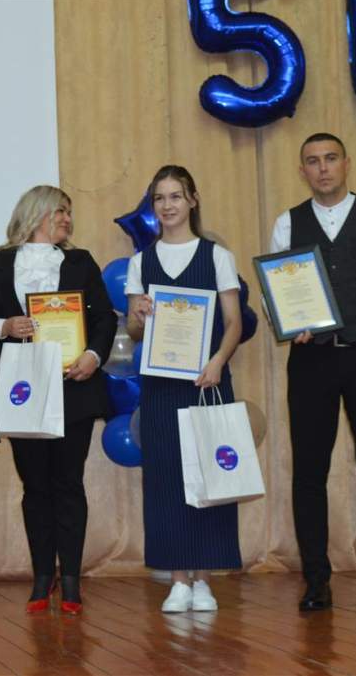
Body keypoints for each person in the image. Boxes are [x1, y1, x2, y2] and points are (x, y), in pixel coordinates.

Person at [0, 185, 117, 616]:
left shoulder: (81, 262)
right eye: (59, 211)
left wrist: (93, 356)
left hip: (74, 385)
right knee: (35, 486)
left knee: (69, 483)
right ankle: (42, 576)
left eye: (69, 212)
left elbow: (104, 319)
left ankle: (71, 581)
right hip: (21, 390)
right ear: (35, 214)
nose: (67, 218)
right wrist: (3, 326)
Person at [125, 165, 243, 613]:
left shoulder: (216, 256)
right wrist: (139, 316)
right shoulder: (141, 262)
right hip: (160, 386)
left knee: (210, 474)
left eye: (176, 196)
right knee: (165, 479)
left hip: (207, 381)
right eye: (159, 198)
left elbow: (233, 322)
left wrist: (218, 362)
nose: (167, 205)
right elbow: (135, 332)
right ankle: (177, 579)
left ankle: (204, 580)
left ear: (192, 200)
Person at [270, 133, 356, 612]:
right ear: (302, 170)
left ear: (346, 164)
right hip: (311, 359)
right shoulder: (288, 223)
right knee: (309, 472)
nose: (322, 168)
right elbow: (277, 294)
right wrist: (290, 320)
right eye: (312, 161)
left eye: (330, 159)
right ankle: (316, 581)